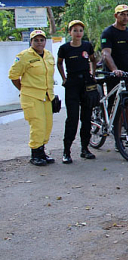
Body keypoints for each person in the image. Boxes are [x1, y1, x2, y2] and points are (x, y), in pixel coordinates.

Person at [8, 30, 56, 166]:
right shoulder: (23, 56)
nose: (39, 43)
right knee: (38, 125)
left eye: (42, 40)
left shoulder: (48, 55)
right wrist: (24, 90)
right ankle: (35, 154)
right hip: (31, 97)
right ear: (31, 42)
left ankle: (42, 151)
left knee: (47, 125)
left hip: (47, 96)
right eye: (36, 40)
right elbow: (13, 76)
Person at [57, 20, 98, 163]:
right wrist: (64, 78)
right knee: (72, 119)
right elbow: (59, 62)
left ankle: (85, 149)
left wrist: (93, 73)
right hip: (72, 84)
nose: (78, 33)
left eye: (80, 30)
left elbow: (93, 60)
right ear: (70, 33)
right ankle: (66, 151)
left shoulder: (87, 46)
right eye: (75, 30)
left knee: (86, 118)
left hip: (86, 84)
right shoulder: (64, 48)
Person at [101, 4, 128, 100]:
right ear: (116, 16)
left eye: (127, 14)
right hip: (114, 74)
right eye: (122, 14)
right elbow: (106, 53)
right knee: (114, 103)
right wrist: (114, 69)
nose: (125, 17)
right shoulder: (108, 32)